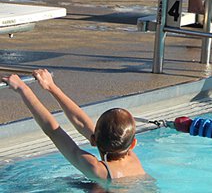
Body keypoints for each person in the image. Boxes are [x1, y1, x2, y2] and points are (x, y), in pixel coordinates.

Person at [1, 69, 148, 187]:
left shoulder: (97, 170)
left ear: (93, 140)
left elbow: (53, 131)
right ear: (133, 144)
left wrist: (23, 89)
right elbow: (82, 124)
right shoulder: (132, 159)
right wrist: (51, 87)